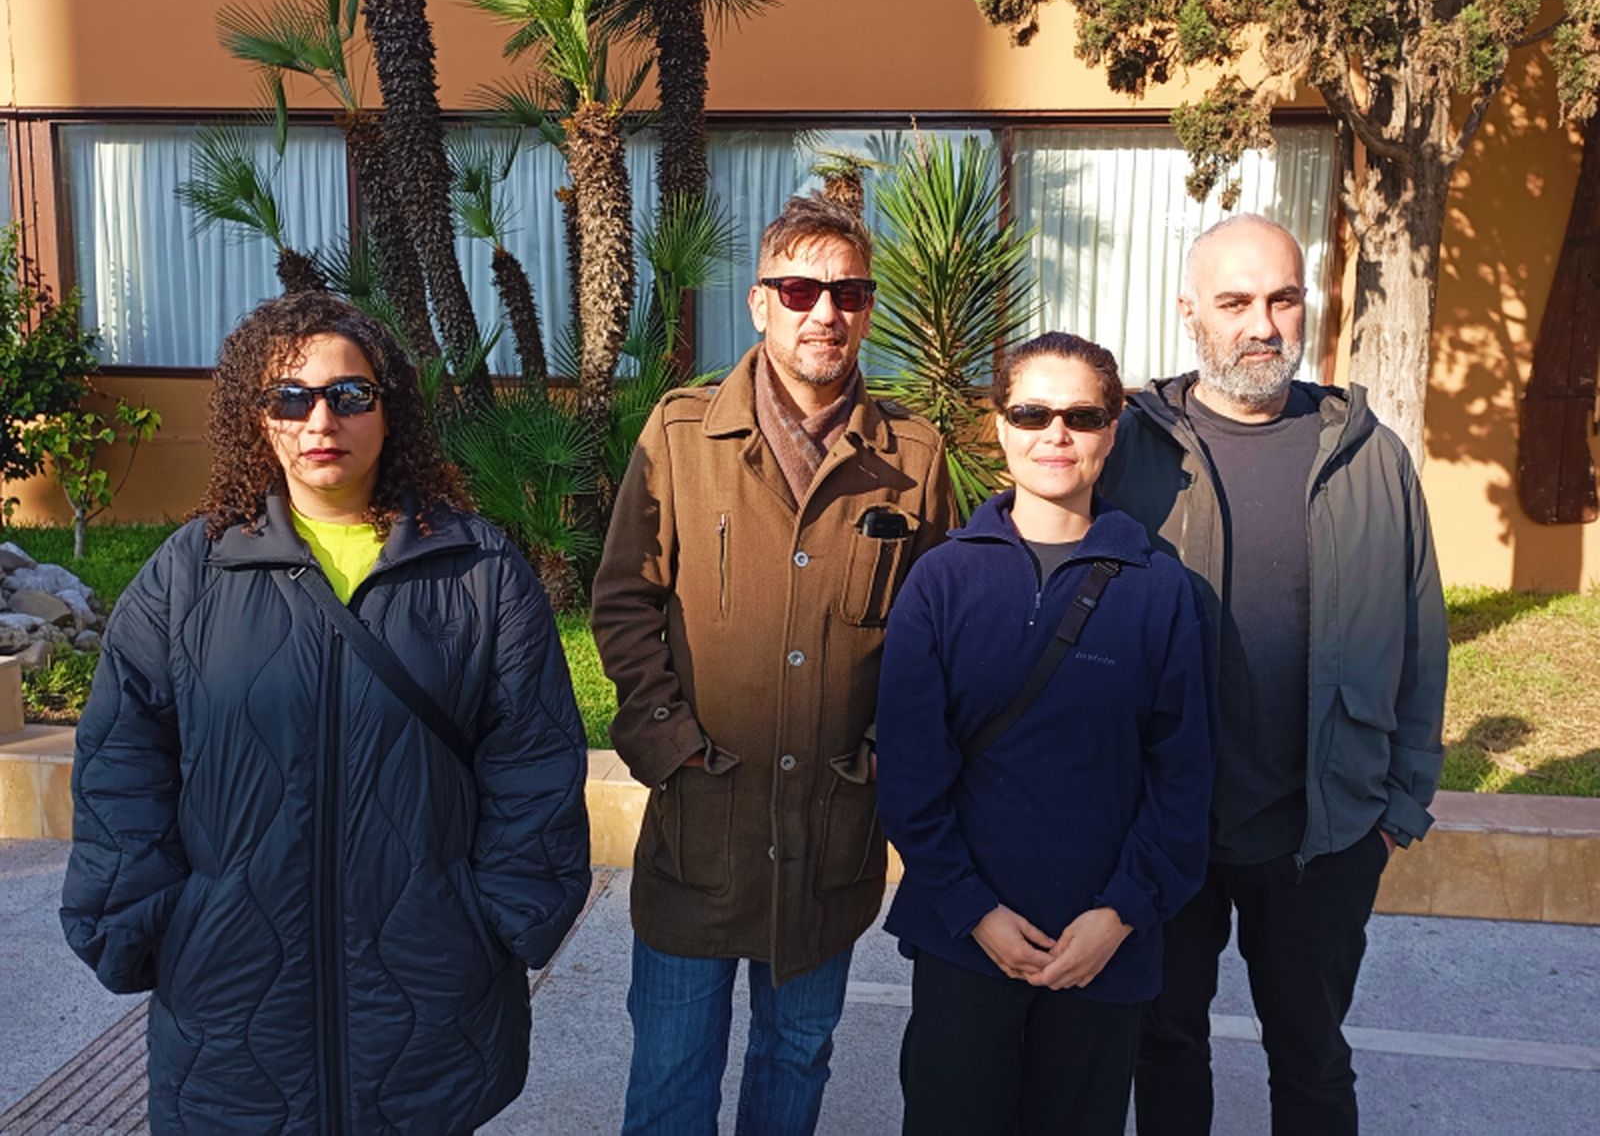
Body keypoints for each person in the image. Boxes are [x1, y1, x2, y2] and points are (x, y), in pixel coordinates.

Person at [60, 292, 592, 1134]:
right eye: (289, 396)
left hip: (427, 994)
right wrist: (153, 923)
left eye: (349, 396)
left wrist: (497, 919)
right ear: (256, 417)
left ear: (391, 410)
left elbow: (534, 763)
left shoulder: (478, 571)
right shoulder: (187, 575)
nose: (320, 419)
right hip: (233, 999)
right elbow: (122, 758)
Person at [591, 194, 955, 1134]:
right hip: (700, 824)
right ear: (759, 304)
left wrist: (884, 749)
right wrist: (664, 739)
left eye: (847, 291)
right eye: (799, 289)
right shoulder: (678, 438)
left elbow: (936, 629)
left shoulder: (912, 455)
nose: (823, 311)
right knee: (671, 1074)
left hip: (830, 830)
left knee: (796, 1060)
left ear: (868, 308)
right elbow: (625, 600)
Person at [1096, 214, 1449, 1135]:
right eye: (1235, 301)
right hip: (1168, 830)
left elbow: (1420, 640)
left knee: (1313, 1059)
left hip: (1324, 834)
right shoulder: (1129, 451)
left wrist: (1397, 810)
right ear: (1189, 314)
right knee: (1164, 1046)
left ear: (1305, 306)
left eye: (1282, 298)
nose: (1263, 323)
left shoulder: (1371, 456)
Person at [874, 332, 1215, 1136]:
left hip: (1103, 948)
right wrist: (975, 910)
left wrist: (1122, 913)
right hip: (965, 939)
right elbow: (912, 774)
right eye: (1032, 412)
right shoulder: (942, 580)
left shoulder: (1160, 588)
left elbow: (1183, 775)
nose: (1055, 435)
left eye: (1081, 415)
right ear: (999, 426)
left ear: (1113, 427)